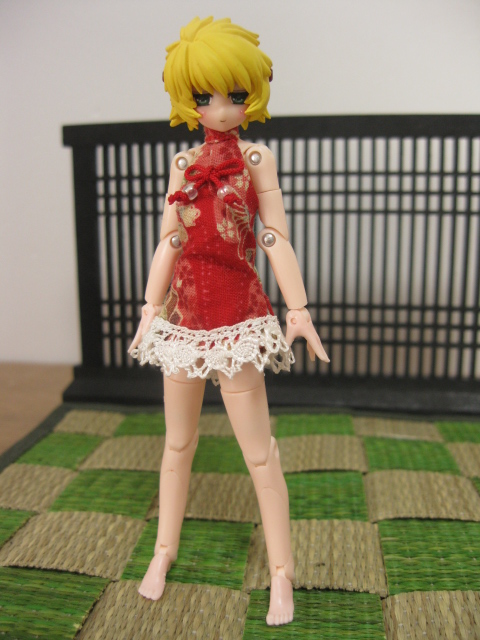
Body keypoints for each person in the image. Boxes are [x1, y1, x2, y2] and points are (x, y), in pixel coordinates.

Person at [129, 16, 329, 626]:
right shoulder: (184, 162)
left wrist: (297, 308)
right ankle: (163, 551)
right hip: (184, 317)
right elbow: (169, 241)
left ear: (254, 95)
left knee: (259, 453)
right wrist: (149, 308)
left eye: (235, 95)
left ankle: (281, 572)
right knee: (177, 442)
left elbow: (272, 236)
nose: (220, 108)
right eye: (204, 97)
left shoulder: (255, 159)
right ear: (185, 100)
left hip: (238, 315)